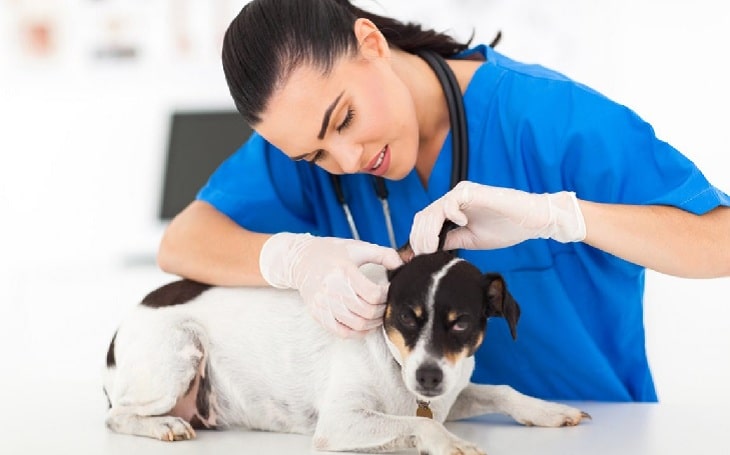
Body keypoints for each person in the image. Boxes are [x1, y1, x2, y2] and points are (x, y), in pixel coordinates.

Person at [157, 0, 730, 402]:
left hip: (589, 433)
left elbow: (720, 240)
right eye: (315, 156)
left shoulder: (545, 118)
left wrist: (559, 216)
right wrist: (293, 259)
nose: (347, 161)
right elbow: (183, 242)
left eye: (347, 119)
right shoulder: (307, 150)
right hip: (420, 436)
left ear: (372, 44)